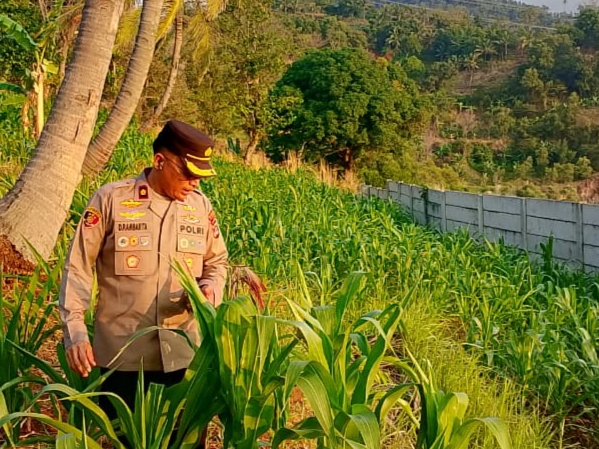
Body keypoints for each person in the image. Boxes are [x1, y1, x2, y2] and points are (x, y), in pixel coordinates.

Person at [59, 120, 228, 444]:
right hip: (124, 358)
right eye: (188, 173)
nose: (194, 183)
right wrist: (75, 333)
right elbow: (78, 267)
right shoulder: (111, 200)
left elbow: (217, 263)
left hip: (184, 357)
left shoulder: (200, 206)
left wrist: (211, 289)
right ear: (160, 161)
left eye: (200, 176)